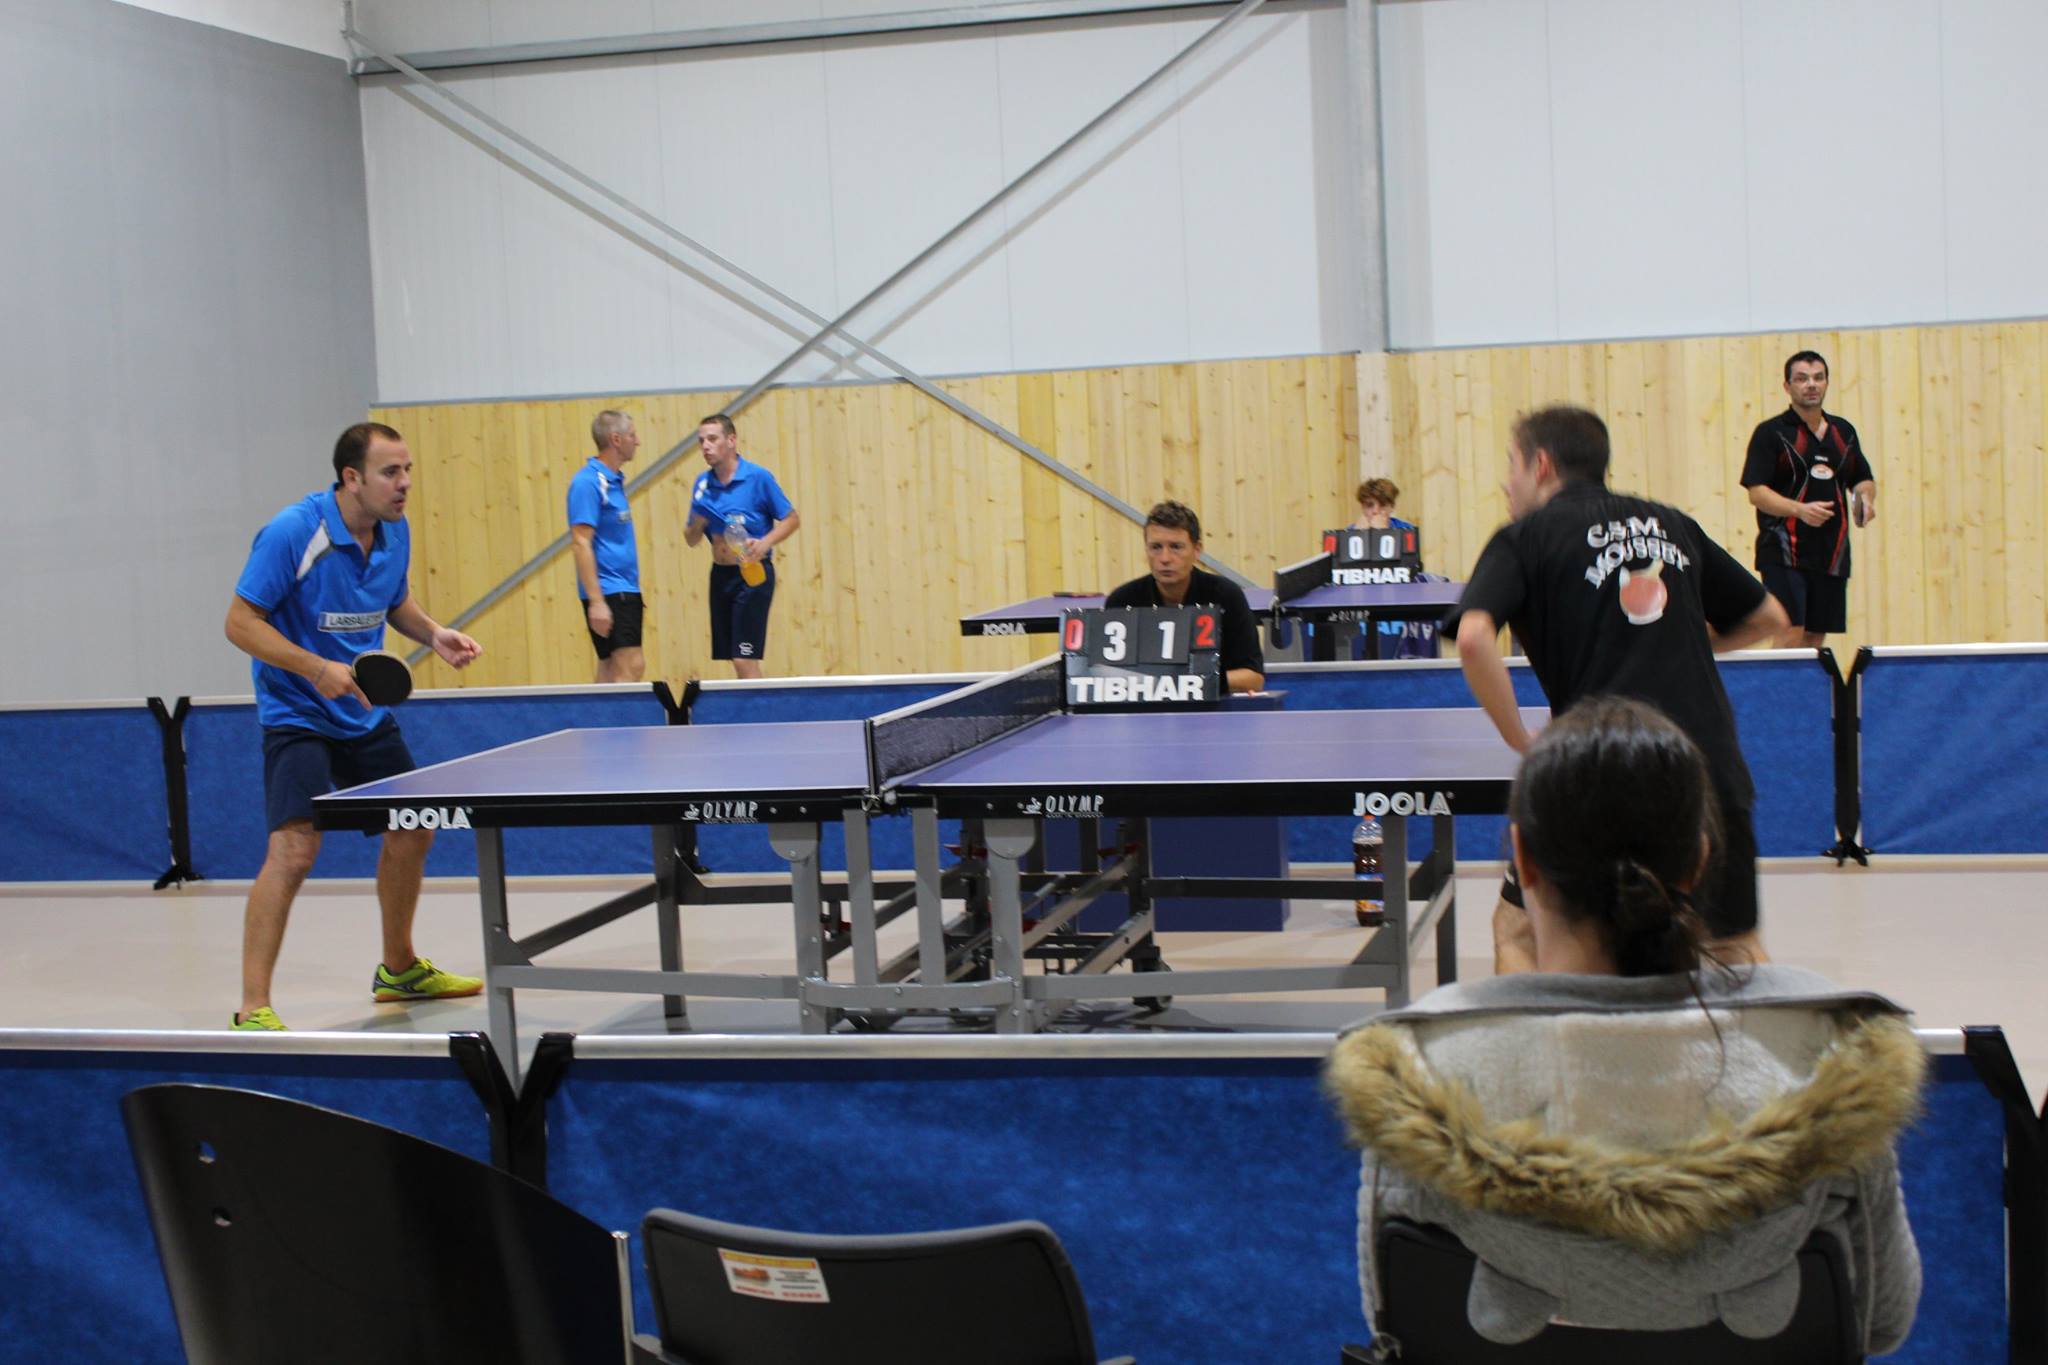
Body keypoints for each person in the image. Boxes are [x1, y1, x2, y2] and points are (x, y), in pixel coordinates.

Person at [1326, 697, 1923, 1355]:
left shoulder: (1415, 1075)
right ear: (1699, 860)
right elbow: (1884, 1320)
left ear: (1523, 862)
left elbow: (1390, 1319)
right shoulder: (1832, 1061)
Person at [1451, 405, 1787, 973]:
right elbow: (1769, 617)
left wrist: (1521, 740)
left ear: (1540, 464)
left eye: (1511, 465)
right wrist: (1683, 640)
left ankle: (1543, 1035)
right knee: (1733, 947)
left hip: (1595, 769)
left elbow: (1473, 638)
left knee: (1519, 934)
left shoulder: (1524, 539)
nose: (1505, 483)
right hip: (1706, 769)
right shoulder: (1672, 524)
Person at [222, 422, 484, 1031]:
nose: (405, 483)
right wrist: (315, 669)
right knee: (294, 849)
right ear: (351, 478)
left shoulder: (395, 528)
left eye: (408, 470)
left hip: (362, 710)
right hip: (298, 711)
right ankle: (252, 1007)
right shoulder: (294, 531)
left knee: (413, 827)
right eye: (391, 472)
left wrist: (434, 633)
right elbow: (239, 622)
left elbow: (393, 602)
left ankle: (399, 969)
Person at [1741, 350, 1877, 648]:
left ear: (1827, 382)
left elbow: (1862, 479)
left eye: (1818, 378)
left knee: (1815, 636)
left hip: (1831, 551)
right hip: (1783, 550)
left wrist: (1865, 500)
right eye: (1802, 379)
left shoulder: (1843, 432)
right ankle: (1778, 682)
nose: (1811, 385)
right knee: (1790, 630)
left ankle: (1807, 683)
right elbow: (1757, 492)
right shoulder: (1771, 433)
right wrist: (1800, 510)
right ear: (1787, 386)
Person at [683, 413, 799, 680]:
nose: (706, 446)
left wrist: (765, 542)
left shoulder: (757, 478)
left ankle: (761, 708)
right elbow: (691, 539)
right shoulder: (703, 484)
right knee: (735, 658)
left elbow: (792, 519)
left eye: (712, 439)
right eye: (701, 441)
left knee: (744, 658)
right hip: (721, 575)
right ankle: (752, 705)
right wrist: (698, 518)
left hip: (751, 573)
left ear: (731, 440)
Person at [1104, 500, 1264, 692]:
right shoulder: (1122, 602)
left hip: (1212, 709)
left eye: (1176, 547)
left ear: (1197, 550)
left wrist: (1192, 682)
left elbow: (1253, 678)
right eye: (1156, 547)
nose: (1165, 558)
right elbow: (1104, 678)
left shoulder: (1227, 596)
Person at [568, 409, 645, 683]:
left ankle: (597, 715)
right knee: (631, 666)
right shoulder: (589, 482)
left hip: (622, 589)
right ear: (616, 439)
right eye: (632, 435)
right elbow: (581, 542)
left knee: (610, 669)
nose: (637, 441)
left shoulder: (613, 480)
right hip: (611, 591)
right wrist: (597, 602)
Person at [1351, 476, 1431, 659]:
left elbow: (1412, 570)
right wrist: (1358, 536)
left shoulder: (1406, 531)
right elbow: (1341, 576)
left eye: (1383, 505)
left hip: (1398, 602)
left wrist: (1383, 534)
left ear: (1392, 507)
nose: (1375, 511)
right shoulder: (1350, 533)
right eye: (1369, 505)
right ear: (1362, 507)